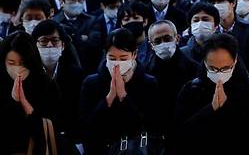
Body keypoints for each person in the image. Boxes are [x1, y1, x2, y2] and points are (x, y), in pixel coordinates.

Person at [174, 33, 249, 154]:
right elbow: (180, 133)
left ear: (235, 61)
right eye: (213, 69)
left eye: (225, 68)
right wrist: (210, 109)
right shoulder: (192, 89)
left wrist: (228, 107)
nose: (219, 74)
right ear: (204, 62)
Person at [79, 28, 160, 155]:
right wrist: (109, 98)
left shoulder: (148, 83)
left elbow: (147, 125)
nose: (117, 64)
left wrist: (123, 96)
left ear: (134, 55)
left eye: (123, 59)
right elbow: (87, 126)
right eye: (112, 58)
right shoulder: (91, 83)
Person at [0, 31, 60, 155]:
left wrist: (25, 103)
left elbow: (53, 126)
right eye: (11, 63)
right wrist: (13, 102)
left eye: (22, 63)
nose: (17, 68)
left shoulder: (45, 84)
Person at [145, 19, 198, 154]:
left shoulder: (194, 69)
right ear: (151, 45)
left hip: (188, 135)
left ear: (177, 38)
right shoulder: (145, 73)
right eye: (158, 41)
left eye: (167, 38)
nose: (163, 44)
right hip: (158, 139)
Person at [32, 19, 85, 150]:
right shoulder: (29, 75)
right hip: (38, 140)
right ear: (35, 45)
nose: (49, 45)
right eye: (44, 41)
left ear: (63, 45)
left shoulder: (76, 74)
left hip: (70, 140)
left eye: (55, 41)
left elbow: (79, 112)